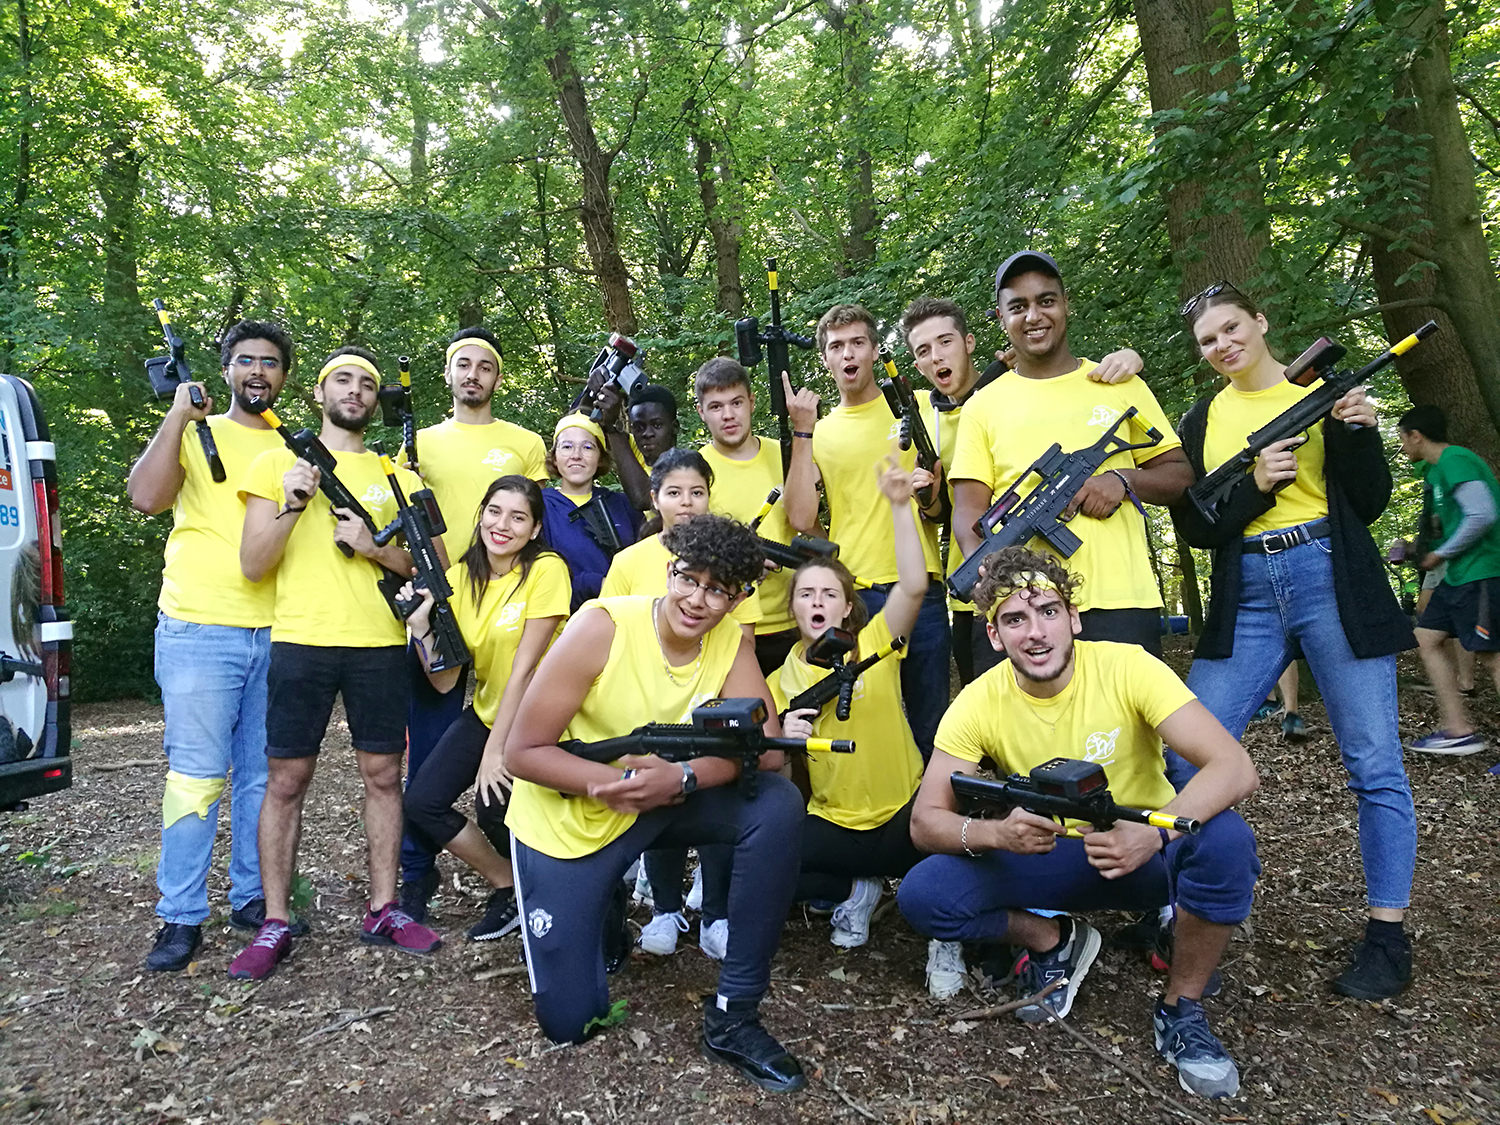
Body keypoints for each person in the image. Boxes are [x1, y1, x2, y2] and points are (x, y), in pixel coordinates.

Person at [897, 547, 1260, 1101]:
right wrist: (999, 833)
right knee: (927, 894)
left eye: (1047, 610)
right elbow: (926, 822)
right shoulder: (978, 701)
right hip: (1053, 854)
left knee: (1226, 840)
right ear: (994, 636)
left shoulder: (1127, 666)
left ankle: (1181, 1007)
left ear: (1074, 618)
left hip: (1145, 848)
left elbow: (1234, 767)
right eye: (1014, 619)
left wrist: (1156, 831)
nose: (1035, 632)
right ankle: (1054, 939)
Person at [503, 515, 808, 1093]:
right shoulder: (602, 627)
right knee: (571, 1025)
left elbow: (766, 753)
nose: (697, 599)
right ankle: (604, 904)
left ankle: (734, 1013)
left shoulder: (729, 640)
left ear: (739, 597)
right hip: (568, 821)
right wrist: (607, 783)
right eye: (688, 579)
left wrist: (685, 777)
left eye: (719, 589)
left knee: (776, 803)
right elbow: (523, 752)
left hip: (660, 803)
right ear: (670, 570)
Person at [1172, 282, 1418, 1000]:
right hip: (1247, 589)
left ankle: (1387, 934)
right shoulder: (1203, 417)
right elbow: (1197, 524)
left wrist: (1359, 431)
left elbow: (1368, 502)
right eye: (1208, 340)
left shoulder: (1326, 390)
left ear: (1262, 320)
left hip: (1330, 576)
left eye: (1231, 328)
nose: (1223, 345)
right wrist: (1254, 487)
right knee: (1185, 753)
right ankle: (1195, 903)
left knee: (1375, 762)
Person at [230, 346, 440, 980]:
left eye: (367, 384)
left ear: (376, 401)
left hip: (378, 643)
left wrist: (373, 549)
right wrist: (293, 504)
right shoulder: (277, 463)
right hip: (300, 639)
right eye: (342, 380)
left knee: (383, 776)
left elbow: (430, 565)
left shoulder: (395, 471)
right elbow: (252, 564)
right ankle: (274, 919)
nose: (355, 391)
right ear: (319, 393)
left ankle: (384, 908)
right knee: (286, 781)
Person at [126, 319, 293, 972]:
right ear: (225, 370)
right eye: (245, 359)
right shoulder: (193, 430)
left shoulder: (292, 446)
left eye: (270, 362)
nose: (258, 370)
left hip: (278, 631)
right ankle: (181, 914)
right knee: (196, 779)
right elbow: (145, 495)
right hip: (200, 628)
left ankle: (254, 898)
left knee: (260, 779)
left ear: (284, 376)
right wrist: (175, 417)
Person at [950, 252, 1192, 676]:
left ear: (1066, 304)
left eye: (1046, 301)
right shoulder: (982, 406)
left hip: (1120, 602)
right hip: (1024, 609)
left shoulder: (1118, 383)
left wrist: (1122, 480)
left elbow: (1179, 475)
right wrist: (986, 571)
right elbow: (968, 509)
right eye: (1018, 307)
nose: (1033, 316)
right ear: (1001, 318)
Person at [900, 296, 1143, 684]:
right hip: (975, 590)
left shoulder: (1010, 387)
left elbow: (1068, 380)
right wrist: (927, 501)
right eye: (924, 350)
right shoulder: (917, 420)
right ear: (916, 363)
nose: (936, 357)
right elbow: (951, 511)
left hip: (1084, 589)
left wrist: (1129, 357)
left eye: (945, 342)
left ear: (969, 342)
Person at [398, 326, 549, 922]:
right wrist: (422, 626)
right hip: (453, 600)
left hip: (515, 616)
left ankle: (543, 888)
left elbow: (547, 506)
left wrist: (497, 748)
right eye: (462, 363)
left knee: (498, 787)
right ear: (448, 373)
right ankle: (423, 874)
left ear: (498, 377)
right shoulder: (419, 447)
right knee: (425, 778)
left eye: (484, 365)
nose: (472, 374)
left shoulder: (525, 442)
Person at [600, 447, 759, 955]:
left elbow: (742, 637)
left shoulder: (728, 558)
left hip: (710, 699)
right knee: (659, 797)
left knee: (712, 800)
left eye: (698, 492)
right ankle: (666, 909)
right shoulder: (629, 561)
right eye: (674, 492)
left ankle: (716, 912)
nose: (686, 502)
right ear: (654, 498)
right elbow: (608, 629)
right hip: (646, 703)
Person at [401, 477, 570, 941]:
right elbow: (446, 678)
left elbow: (525, 668)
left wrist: (495, 753)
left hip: (544, 710)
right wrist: (421, 630)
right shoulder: (457, 579)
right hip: (490, 707)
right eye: (494, 511)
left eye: (518, 517)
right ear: (480, 515)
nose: (503, 525)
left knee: (495, 806)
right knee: (423, 801)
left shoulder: (546, 570)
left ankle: (560, 897)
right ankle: (509, 884)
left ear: (534, 530)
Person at [770, 456, 927, 955]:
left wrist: (900, 506)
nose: (817, 601)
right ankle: (856, 891)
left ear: (846, 606)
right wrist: (783, 739)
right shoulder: (778, 679)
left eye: (829, 593)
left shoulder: (878, 639)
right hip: (833, 822)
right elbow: (766, 760)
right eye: (807, 593)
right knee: (769, 866)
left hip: (905, 812)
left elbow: (914, 586)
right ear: (793, 606)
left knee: (954, 853)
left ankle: (947, 935)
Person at [782, 304, 949, 758]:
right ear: (826, 360)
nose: (848, 353)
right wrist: (802, 431)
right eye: (837, 346)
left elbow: (940, 505)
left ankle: (932, 819)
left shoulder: (913, 410)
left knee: (930, 720)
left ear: (875, 351)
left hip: (923, 589)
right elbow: (799, 517)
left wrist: (928, 497)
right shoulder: (821, 430)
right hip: (855, 593)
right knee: (862, 715)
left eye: (858, 342)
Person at [1398, 404, 1500, 756]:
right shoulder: (1437, 472)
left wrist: (1441, 554)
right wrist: (1416, 550)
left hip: (1482, 571)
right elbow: (1451, 526)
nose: (1403, 448)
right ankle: (1458, 729)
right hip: (1460, 575)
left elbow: (1482, 515)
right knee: (1426, 637)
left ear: (1416, 435)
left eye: (1403, 439)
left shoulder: (1456, 460)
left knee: (1493, 654)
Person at [694, 357, 801, 673]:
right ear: (701, 412)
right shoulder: (694, 473)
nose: (728, 415)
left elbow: (815, 525)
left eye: (736, 402)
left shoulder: (787, 452)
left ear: (752, 402)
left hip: (800, 620)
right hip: (730, 626)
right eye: (716, 407)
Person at [541, 413, 642, 612]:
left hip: (624, 615)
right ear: (554, 457)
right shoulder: (539, 506)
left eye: (587, 447)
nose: (576, 455)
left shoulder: (622, 505)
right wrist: (594, 583)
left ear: (600, 457)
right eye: (567, 446)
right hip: (563, 623)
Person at [627, 384, 681, 469]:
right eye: (639, 427)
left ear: (675, 427)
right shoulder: (629, 472)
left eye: (657, 425)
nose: (647, 434)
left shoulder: (693, 470)